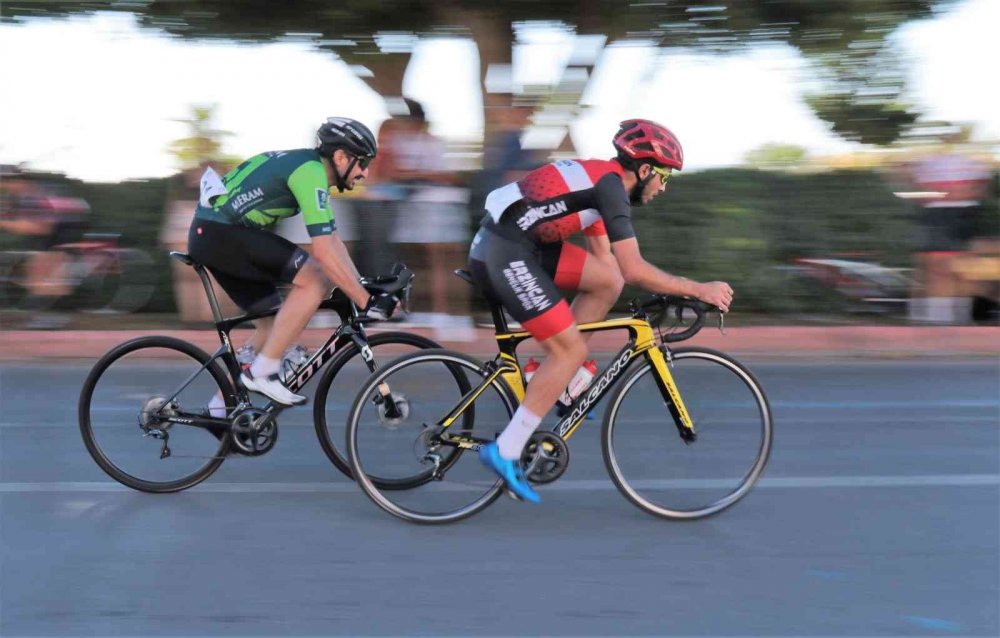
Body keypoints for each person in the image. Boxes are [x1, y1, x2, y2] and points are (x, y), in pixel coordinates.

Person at [467, 119, 734, 503]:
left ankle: (555, 376)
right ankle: (507, 448)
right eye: (663, 177)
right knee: (570, 348)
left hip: (515, 244)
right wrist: (697, 288)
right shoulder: (610, 188)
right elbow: (636, 268)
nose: (662, 188)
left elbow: (607, 266)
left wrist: (663, 296)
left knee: (607, 282)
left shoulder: (600, 178)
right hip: (505, 252)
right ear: (644, 171)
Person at [187, 117, 400, 410]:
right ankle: (264, 371)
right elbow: (324, 253)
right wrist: (365, 301)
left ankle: (221, 408)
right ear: (340, 157)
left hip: (215, 234)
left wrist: (361, 285)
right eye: (362, 163)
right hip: (221, 233)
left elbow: (333, 240)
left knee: (274, 325)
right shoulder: (310, 173)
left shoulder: (310, 170)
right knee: (315, 278)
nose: (364, 173)